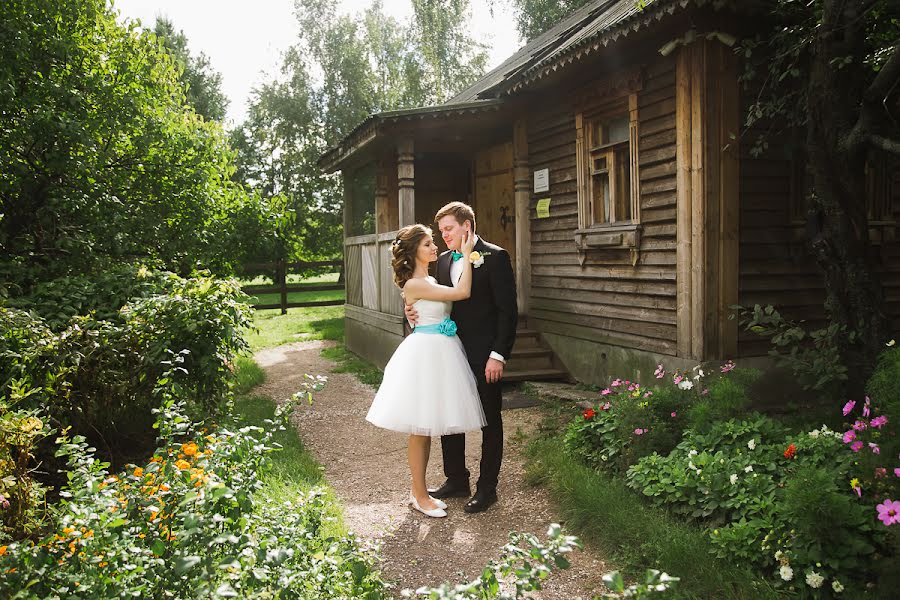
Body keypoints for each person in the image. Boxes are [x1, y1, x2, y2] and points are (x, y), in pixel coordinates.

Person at [365, 223, 483, 518]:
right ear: (414, 251)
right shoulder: (415, 284)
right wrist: (468, 254)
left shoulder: (427, 279)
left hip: (442, 351)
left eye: (433, 242)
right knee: (420, 430)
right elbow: (463, 292)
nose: (435, 248)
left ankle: (419, 491)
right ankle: (419, 495)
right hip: (426, 355)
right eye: (428, 244)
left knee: (427, 427)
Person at [406, 201, 518, 514]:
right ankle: (457, 479)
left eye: (448, 229)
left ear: (466, 225)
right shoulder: (441, 262)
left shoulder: (496, 257)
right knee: (448, 419)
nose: (443, 236)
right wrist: (411, 309)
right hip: (448, 352)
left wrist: (498, 355)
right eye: (439, 231)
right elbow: (434, 302)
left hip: (485, 356)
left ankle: (487, 488)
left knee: (489, 420)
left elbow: (508, 313)